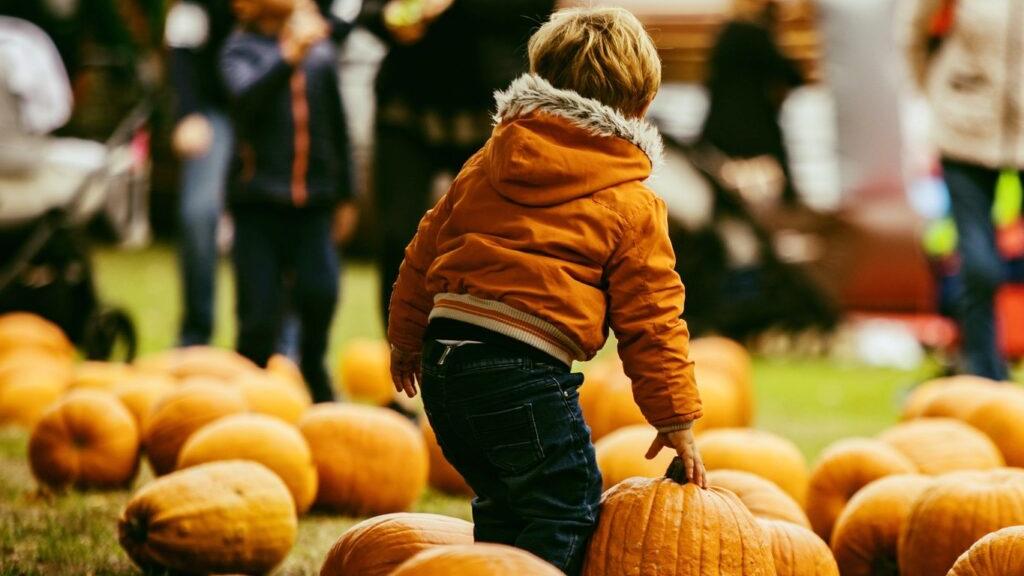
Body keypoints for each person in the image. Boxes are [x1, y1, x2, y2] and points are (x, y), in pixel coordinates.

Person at [387, 8, 706, 574]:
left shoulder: (487, 161)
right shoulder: (633, 203)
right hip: (521, 371)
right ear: (642, 106)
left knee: (505, 503)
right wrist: (675, 418)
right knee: (566, 505)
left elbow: (424, 252)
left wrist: (407, 339)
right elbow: (652, 319)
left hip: (444, 367)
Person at [359, 0, 553, 329]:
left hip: (488, 109)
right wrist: (390, 19)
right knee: (398, 236)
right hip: (408, 105)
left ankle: (488, 345)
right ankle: (400, 346)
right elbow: (369, 12)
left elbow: (534, 14)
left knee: (494, 238)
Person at [220, 0, 356, 402]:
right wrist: (286, 58)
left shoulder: (322, 54)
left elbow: (338, 127)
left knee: (321, 290)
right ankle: (248, 387)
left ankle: (312, 364)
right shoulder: (238, 50)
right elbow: (244, 102)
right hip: (258, 203)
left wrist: (345, 194)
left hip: (313, 203)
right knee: (259, 313)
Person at [901, 0, 1024, 380]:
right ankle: (985, 375)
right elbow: (912, 35)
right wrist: (941, 94)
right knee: (979, 264)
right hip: (964, 130)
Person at [165, 0, 237, 347]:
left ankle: (281, 348)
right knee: (198, 212)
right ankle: (194, 336)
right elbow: (182, 46)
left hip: (277, 111)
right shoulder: (197, 7)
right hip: (214, 111)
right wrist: (187, 112)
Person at [699, 0, 804, 205]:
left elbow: (710, 80)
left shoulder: (725, 33)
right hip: (755, 122)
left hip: (720, 121)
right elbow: (792, 74)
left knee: (709, 167)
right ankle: (790, 203)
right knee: (782, 167)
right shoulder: (758, 35)